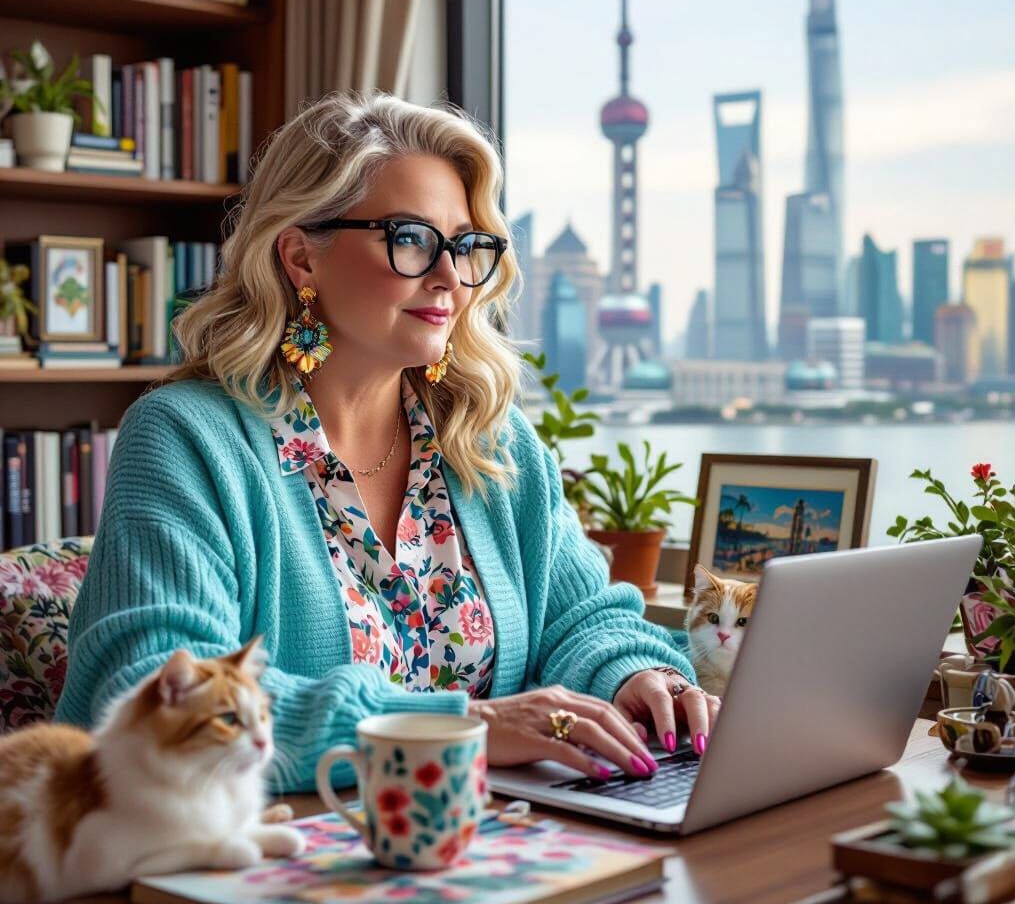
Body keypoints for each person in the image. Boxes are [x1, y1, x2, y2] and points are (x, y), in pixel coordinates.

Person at [56, 91, 717, 792]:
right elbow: (148, 691)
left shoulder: (488, 439)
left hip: (494, 846)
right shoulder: (186, 439)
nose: (450, 278)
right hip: (277, 857)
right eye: (410, 238)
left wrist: (638, 674)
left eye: (465, 246)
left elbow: (581, 619)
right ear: (300, 258)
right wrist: (465, 727)